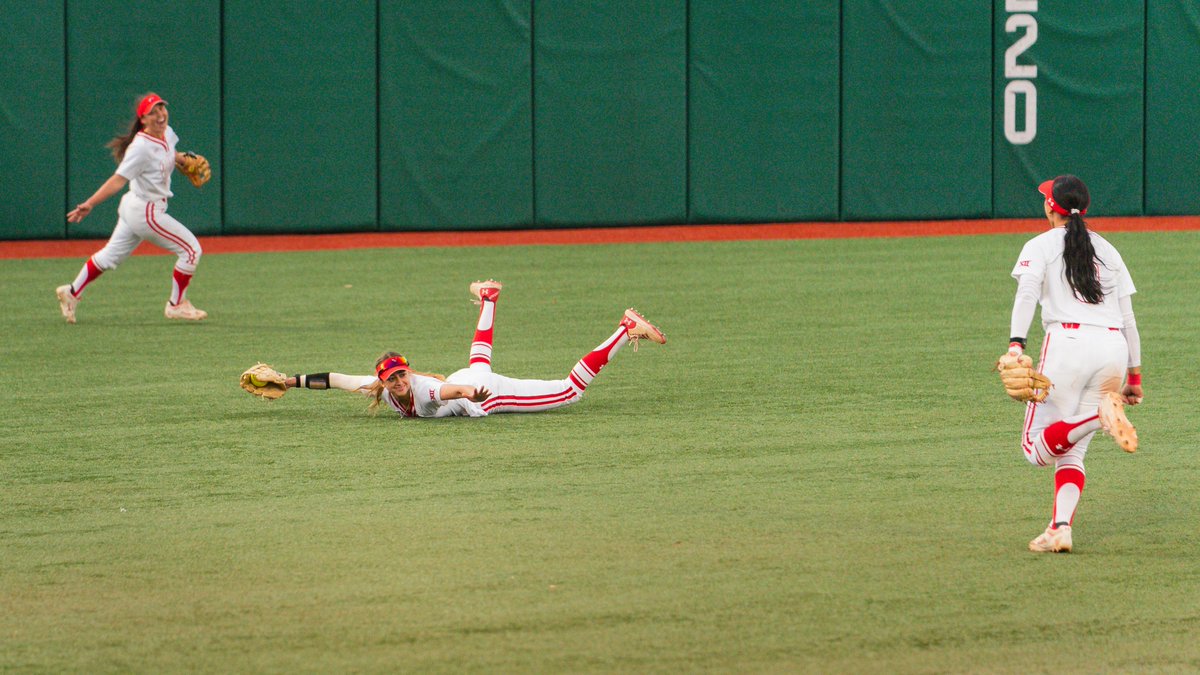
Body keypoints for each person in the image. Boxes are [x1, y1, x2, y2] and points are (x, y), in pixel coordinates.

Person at [278, 280, 666, 417]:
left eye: (401, 374)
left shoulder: (423, 390)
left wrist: (470, 392)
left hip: (485, 393)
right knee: (479, 360)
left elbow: (448, 391)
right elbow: (335, 379)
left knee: (569, 392)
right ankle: (488, 298)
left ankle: (625, 329)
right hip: (468, 381)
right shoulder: (381, 388)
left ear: (408, 372)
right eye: (392, 377)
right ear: (382, 380)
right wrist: (288, 381)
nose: (398, 381)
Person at [1002, 174, 1142, 554]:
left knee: (1034, 449)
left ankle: (1099, 417)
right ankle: (1060, 528)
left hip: (1068, 345)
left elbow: (1027, 293)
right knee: (1072, 451)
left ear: (1051, 207)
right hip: (1113, 349)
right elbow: (1128, 319)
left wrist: (1016, 345)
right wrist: (1134, 376)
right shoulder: (1109, 250)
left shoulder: (1040, 244)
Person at [56, 92, 208, 323]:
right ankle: (176, 305)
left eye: (161, 108)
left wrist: (182, 160)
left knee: (109, 256)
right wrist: (90, 203)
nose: (160, 115)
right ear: (143, 119)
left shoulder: (166, 132)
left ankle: (72, 292)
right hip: (147, 211)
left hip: (134, 206)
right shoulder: (140, 147)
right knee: (191, 250)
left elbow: (169, 152)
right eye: (153, 112)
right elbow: (118, 180)